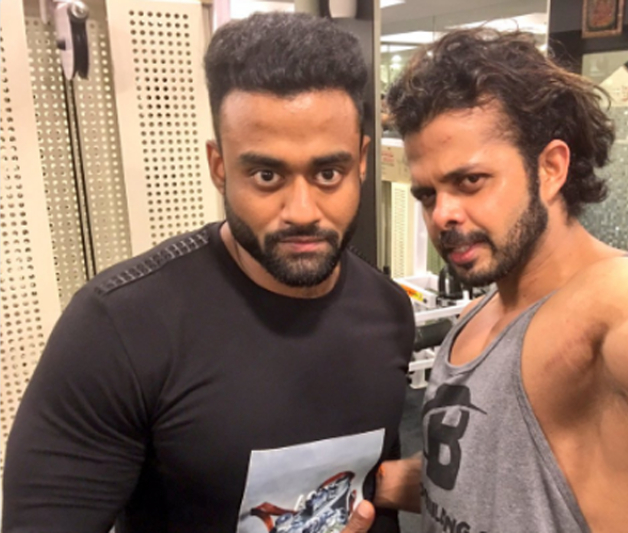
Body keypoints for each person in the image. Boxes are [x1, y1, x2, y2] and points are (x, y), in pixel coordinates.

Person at [348, 27, 628, 533]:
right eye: (428, 195)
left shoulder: (618, 305)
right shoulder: (481, 314)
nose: (442, 215)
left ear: (550, 168)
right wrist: (344, 487)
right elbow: (471, 484)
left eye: (470, 181)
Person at [3, 13, 415, 533]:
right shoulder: (119, 329)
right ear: (220, 167)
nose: (302, 211)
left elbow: (367, 485)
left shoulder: (389, 311)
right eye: (266, 175)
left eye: (328, 173)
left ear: (362, 160)